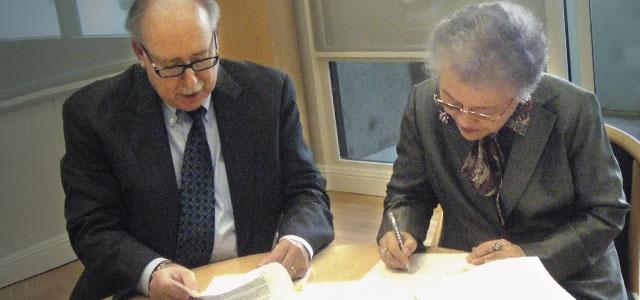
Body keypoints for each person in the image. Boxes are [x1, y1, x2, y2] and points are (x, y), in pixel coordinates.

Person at [60, 0, 334, 298]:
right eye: (172, 66)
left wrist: (298, 240)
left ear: (215, 35)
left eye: (202, 58)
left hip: (249, 278)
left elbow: (306, 190)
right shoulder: (94, 114)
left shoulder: (268, 92)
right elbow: (93, 227)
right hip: (148, 290)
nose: (191, 81)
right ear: (141, 53)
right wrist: (151, 271)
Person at [377, 2, 629, 299]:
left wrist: (529, 256)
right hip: (466, 272)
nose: (465, 120)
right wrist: (401, 230)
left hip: (566, 277)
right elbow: (409, 193)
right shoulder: (423, 104)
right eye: (452, 102)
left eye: (485, 112)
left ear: (522, 94)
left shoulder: (574, 110)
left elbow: (606, 213)